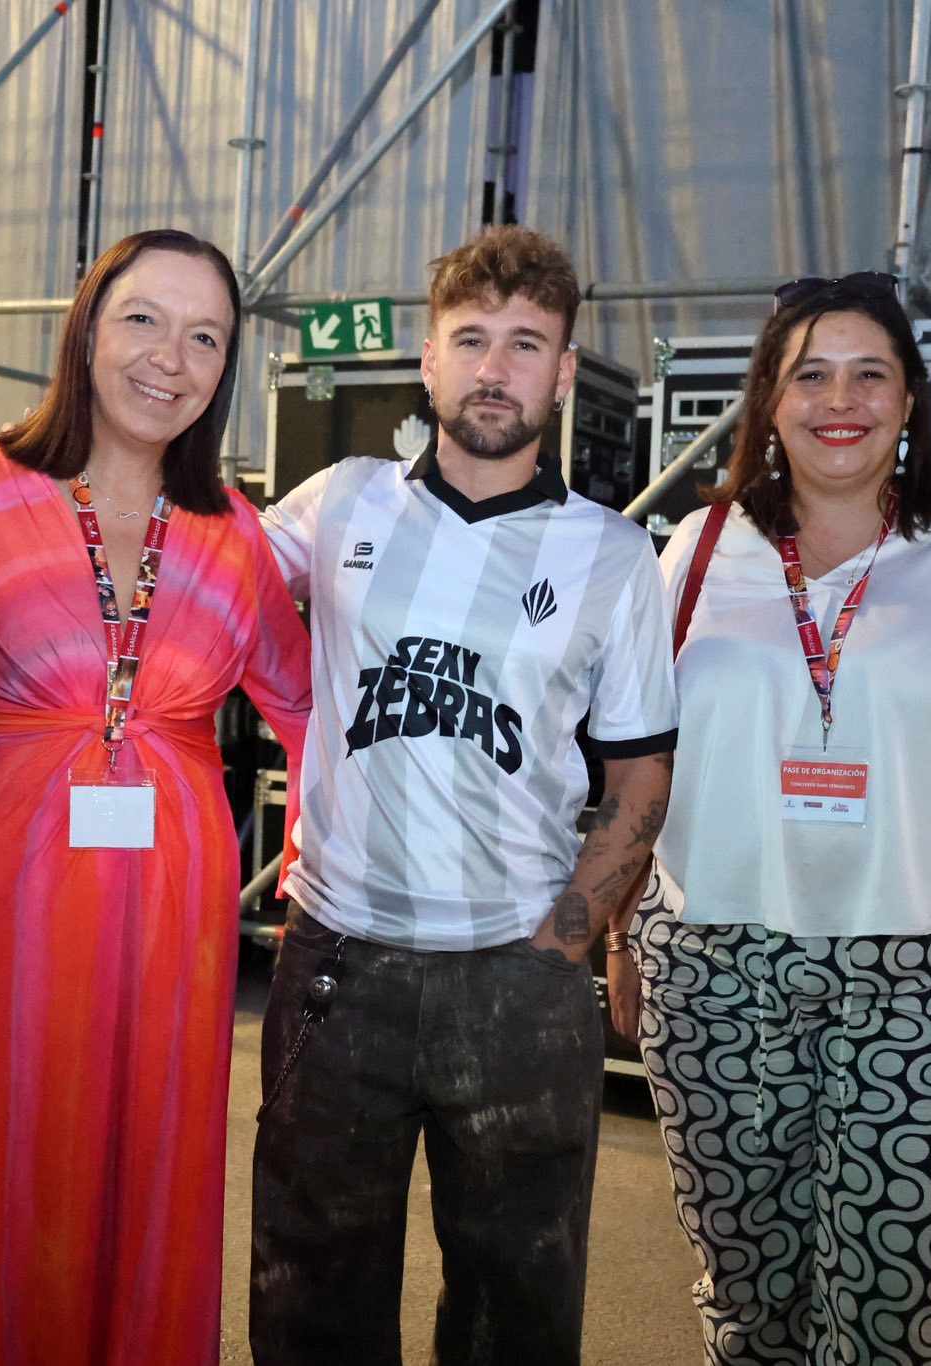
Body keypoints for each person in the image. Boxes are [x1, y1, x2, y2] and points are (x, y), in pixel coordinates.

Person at [0, 228, 312, 1366]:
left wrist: (312, 866)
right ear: (87, 326)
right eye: (143, 318)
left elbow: (307, 708)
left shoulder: (236, 530)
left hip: (171, 917)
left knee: (141, 1162)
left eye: (205, 337)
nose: (170, 358)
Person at [606, 271, 931, 1365]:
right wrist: (623, 930)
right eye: (809, 374)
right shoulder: (696, 548)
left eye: (869, 373)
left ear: (908, 398)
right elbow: (649, 760)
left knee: (897, 1309)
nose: (840, 399)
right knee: (747, 1298)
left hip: (930, 982)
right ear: (768, 402)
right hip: (715, 969)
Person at [249, 225, 677, 1366]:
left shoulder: (610, 556)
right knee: (311, 1294)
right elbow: (201, 584)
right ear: (429, 360)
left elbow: (641, 770)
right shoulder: (340, 502)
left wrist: (564, 939)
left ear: (563, 373)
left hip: (517, 976)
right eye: (471, 338)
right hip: (338, 962)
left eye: (526, 343)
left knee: (515, 1307)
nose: (495, 367)